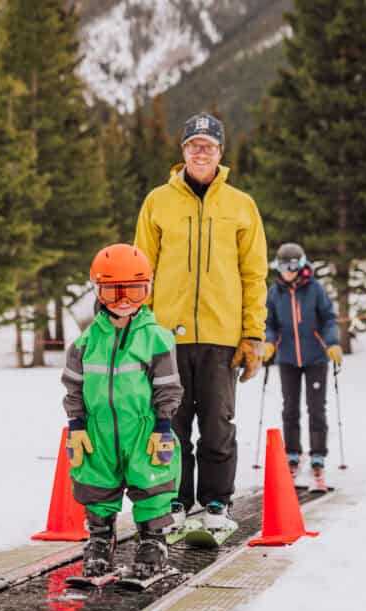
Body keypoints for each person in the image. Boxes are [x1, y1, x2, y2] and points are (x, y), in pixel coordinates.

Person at [134, 112, 268, 534]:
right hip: (165, 337)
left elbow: (254, 275)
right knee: (169, 423)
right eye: (193, 145)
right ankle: (173, 500)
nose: (200, 152)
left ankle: (215, 502)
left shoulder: (241, 206)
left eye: (208, 146)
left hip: (221, 336)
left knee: (216, 423)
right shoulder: (157, 201)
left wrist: (252, 335)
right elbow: (143, 270)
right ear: (183, 151)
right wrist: (140, 331)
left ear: (220, 153)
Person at [61, 244, 184, 579]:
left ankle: (152, 539)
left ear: (147, 290)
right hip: (98, 429)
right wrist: (77, 423)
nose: (124, 299)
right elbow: (73, 387)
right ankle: (101, 537)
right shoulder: (86, 343)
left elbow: (168, 387)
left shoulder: (156, 339)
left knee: (152, 481)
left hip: (143, 428)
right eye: (113, 291)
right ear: (98, 291)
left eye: (134, 290)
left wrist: (162, 425)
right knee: (95, 481)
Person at [263, 242, 342, 484]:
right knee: (290, 408)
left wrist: (332, 343)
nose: (288, 271)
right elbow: (269, 322)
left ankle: (318, 454)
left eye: (293, 266)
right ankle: (293, 452)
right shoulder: (274, 292)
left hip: (316, 357)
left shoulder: (315, 289)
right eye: (284, 266)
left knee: (316, 407)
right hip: (287, 358)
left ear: (302, 264)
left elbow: (328, 318)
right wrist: (268, 343)